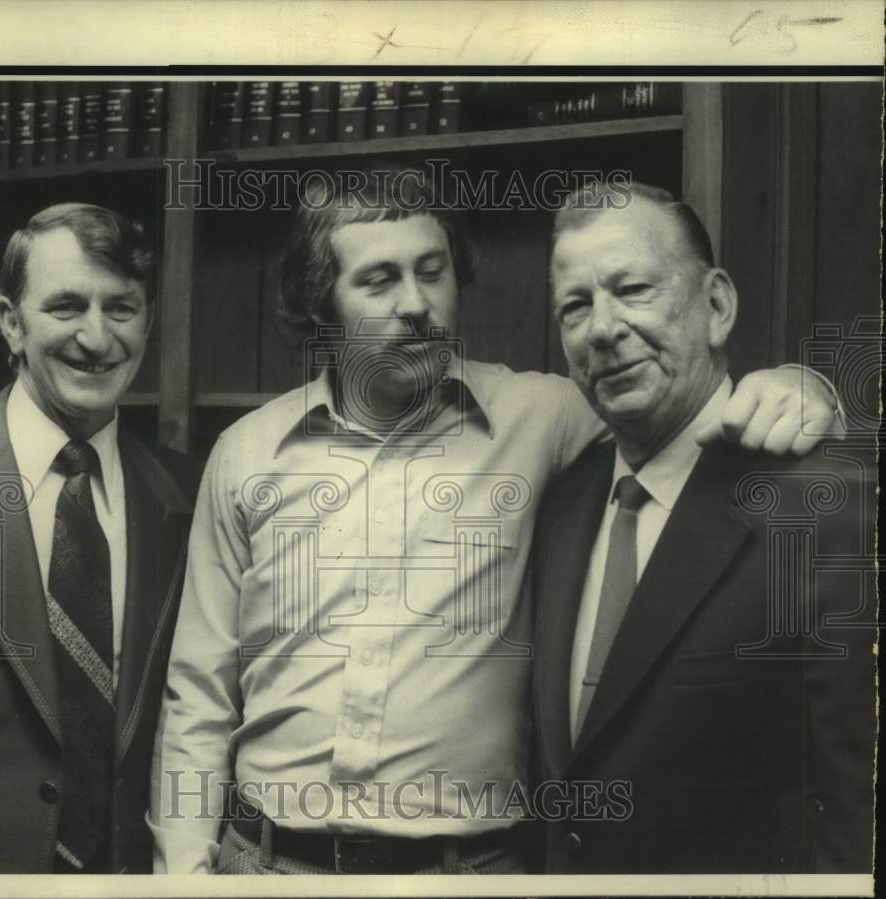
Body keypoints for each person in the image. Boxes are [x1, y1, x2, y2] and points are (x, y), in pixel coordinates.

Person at [149, 168, 843, 875]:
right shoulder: (245, 453)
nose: (417, 304)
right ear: (320, 306)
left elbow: (680, 412)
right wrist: (182, 874)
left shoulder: (548, 415)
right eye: (379, 280)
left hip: (470, 870)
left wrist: (803, 386)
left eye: (433, 270)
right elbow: (199, 692)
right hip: (265, 865)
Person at [532, 182, 874, 872]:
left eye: (632, 288)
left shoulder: (825, 507)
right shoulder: (561, 501)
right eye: (576, 306)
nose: (602, 327)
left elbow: (858, 809)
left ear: (716, 306)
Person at [0, 203, 201, 873]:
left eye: (122, 308)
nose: (97, 338)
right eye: (66, 306)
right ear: (11, 324)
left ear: (149, 321)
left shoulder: (189, 496)